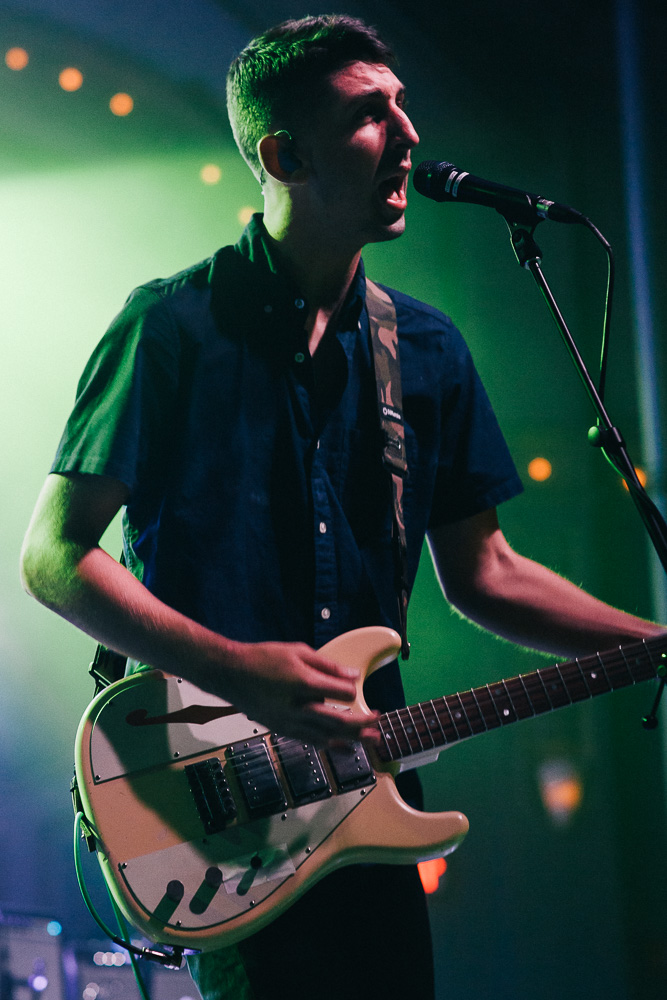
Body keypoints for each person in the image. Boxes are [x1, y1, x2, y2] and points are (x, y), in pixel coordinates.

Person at [20, 14, 663, 1000]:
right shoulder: (170, 328)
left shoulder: (429, 350)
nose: (409, 134)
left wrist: (652, 639)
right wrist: (239, 669)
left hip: (373, 796)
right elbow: (55, 556)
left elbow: (484, 573)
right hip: (219, 803)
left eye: (402, 105)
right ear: (284, 153)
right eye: (371, 114)